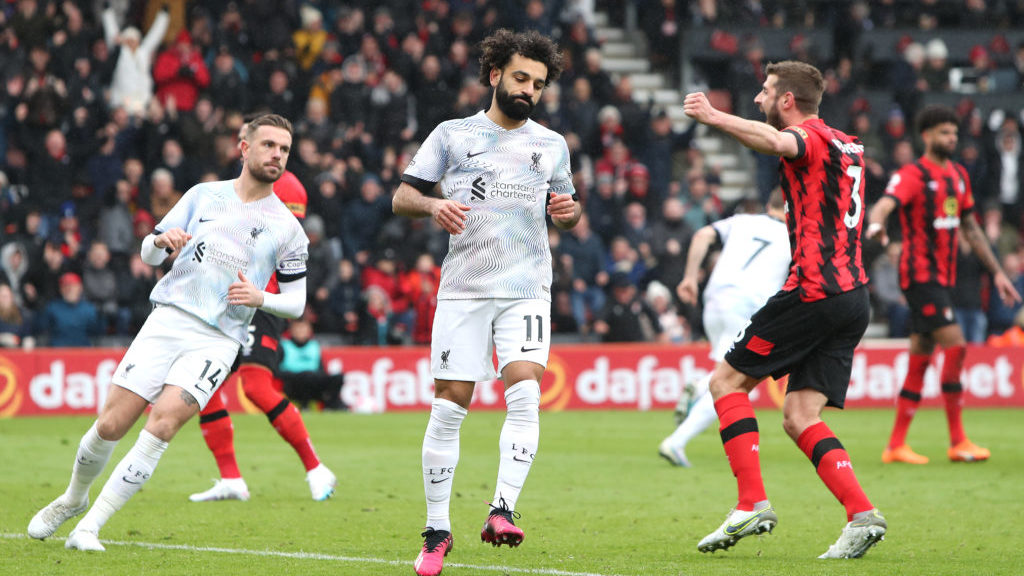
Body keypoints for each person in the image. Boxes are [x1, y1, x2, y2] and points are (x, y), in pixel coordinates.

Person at [27, 114, 308, 551]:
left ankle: (90, 527)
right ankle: (73, 499)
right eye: (269, 145)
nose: (277, 155)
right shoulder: (203, 195)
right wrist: (160, 242)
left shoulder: (288, 229)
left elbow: (296, 303)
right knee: (111, 424)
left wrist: (260, 297)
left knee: (162, 425)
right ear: (244, 148)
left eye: (284, 149)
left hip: (219, 340)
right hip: (169, 319)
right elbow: (148, 252)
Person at [392, 29, 580, 576]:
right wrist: (433, 207)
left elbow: (567, 208)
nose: (529, 91)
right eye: (521, 78)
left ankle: (502, 510)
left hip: (527, 288)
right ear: (495, 74)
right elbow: (403, 196)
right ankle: (436, 531)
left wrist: (569, 214)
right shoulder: (452, 135)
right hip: (465, 288)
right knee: (450, 405)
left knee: (525, 395)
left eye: (538, 84)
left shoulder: (552, 145)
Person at [682, 61, 887, 559]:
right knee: (799, 415)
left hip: (813, 291)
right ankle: (862, 514)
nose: (758, 99)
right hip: (853, 297)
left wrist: (714, 117)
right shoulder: (848, 144)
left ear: (788, 100)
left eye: (765, 91)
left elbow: (779, 142)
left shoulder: (808, 137)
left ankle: (750, 503)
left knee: (725, 383)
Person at [866, 105, 1022, 466]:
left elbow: (972, 228)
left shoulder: (958, 176)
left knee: (920, 357)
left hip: (943, 278)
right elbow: (884, 205)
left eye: (954, 132)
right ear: (927, 136)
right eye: (944, 133)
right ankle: (958, 440)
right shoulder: (913, 174)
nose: (951, 138)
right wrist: (876, 224)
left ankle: (895, 445)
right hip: (919, 276)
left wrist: (997, 272)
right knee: (956, 345)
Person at [189, 128, 336, 504]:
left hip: (262, 297)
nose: (248, 148)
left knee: (256, 387)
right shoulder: (233, 186)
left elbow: (284, 242)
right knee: (204, 388)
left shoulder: (290, 188)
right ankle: (231, 479)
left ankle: (316, 468)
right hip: (226, 298)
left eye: (275, 146)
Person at [658, 191, 790, 468]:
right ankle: (677, 440)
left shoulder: (742, 220)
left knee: (726, 375)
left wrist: (690, 278)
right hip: (748, 308)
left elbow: (701, 235)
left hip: (714, 302)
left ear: (769, 204)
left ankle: (698, 388)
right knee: (734, 383)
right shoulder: (794, 237)